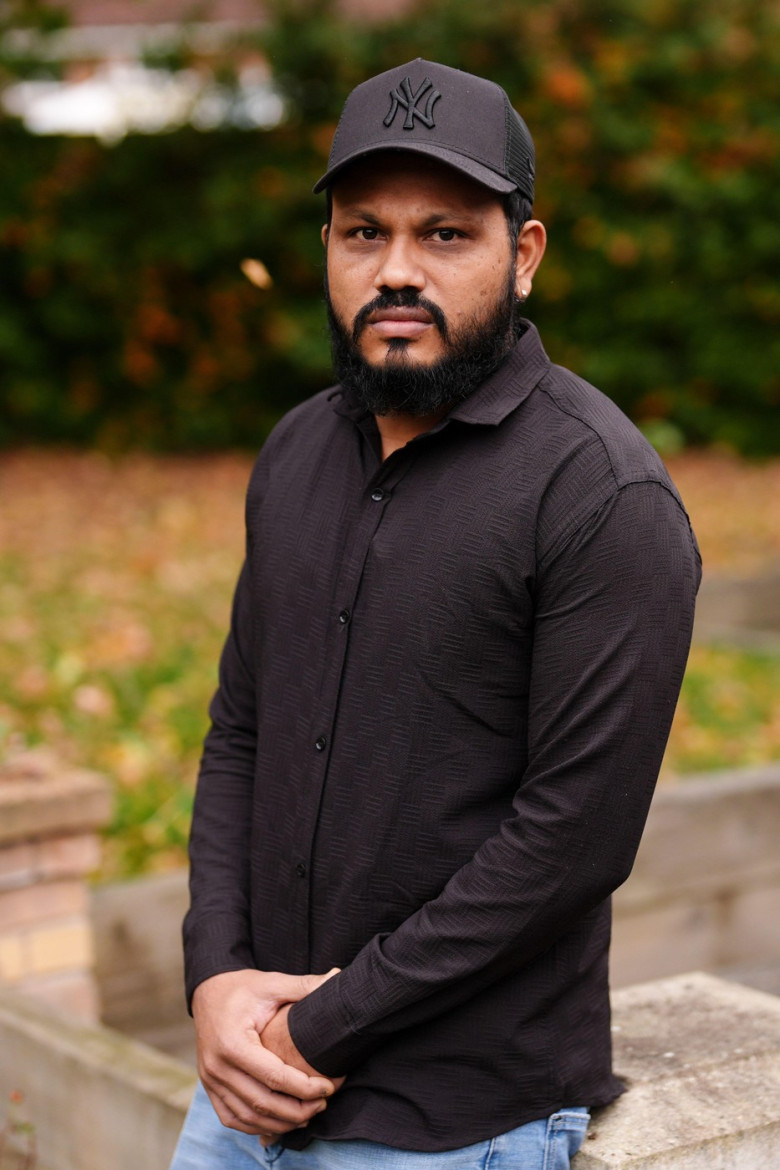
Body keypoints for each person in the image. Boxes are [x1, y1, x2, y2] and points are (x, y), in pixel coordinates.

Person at [169, 59, 701, 1170]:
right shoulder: (294, 454)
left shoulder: (602, 495)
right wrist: (215, 980)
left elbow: (570, 843)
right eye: (363, 232)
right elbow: (242, 733)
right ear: (327, 249)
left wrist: (311, 1027)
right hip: (241, 1099)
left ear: (525, 255)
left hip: (456, 1124)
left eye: (446, 235)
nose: (396, 271)